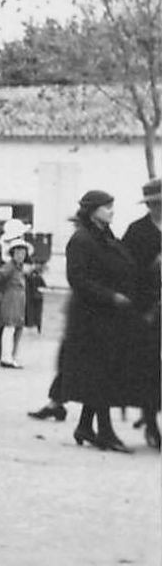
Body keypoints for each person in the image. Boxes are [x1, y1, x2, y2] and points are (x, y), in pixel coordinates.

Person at [57, 190, 139, 452]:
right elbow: (77, 280)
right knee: (102, 374)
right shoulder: (81, 240)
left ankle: (85, 426)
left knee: (102, 373)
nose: (112, 211)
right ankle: (105, 432)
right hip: (91, 318)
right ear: (92, 210)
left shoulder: (104, 236)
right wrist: (111, 296)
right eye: (107, 207)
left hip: (107, 317)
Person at [118, 178, 161, 449]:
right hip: (149, 310)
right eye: (154, 203)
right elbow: (125, 271)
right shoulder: (137, 232)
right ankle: (150, 420)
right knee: (149, 366)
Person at [0, 238, 32, 368]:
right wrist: (0, 292)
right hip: (10, 299)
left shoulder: (18, 268)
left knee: (13, 328)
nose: (21, 255)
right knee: (9, 328)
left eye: (23, 253)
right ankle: (6, 357)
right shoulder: (9, 267)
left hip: (17, 300)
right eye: (18, 252)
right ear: (12, 254)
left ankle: (9, 356)